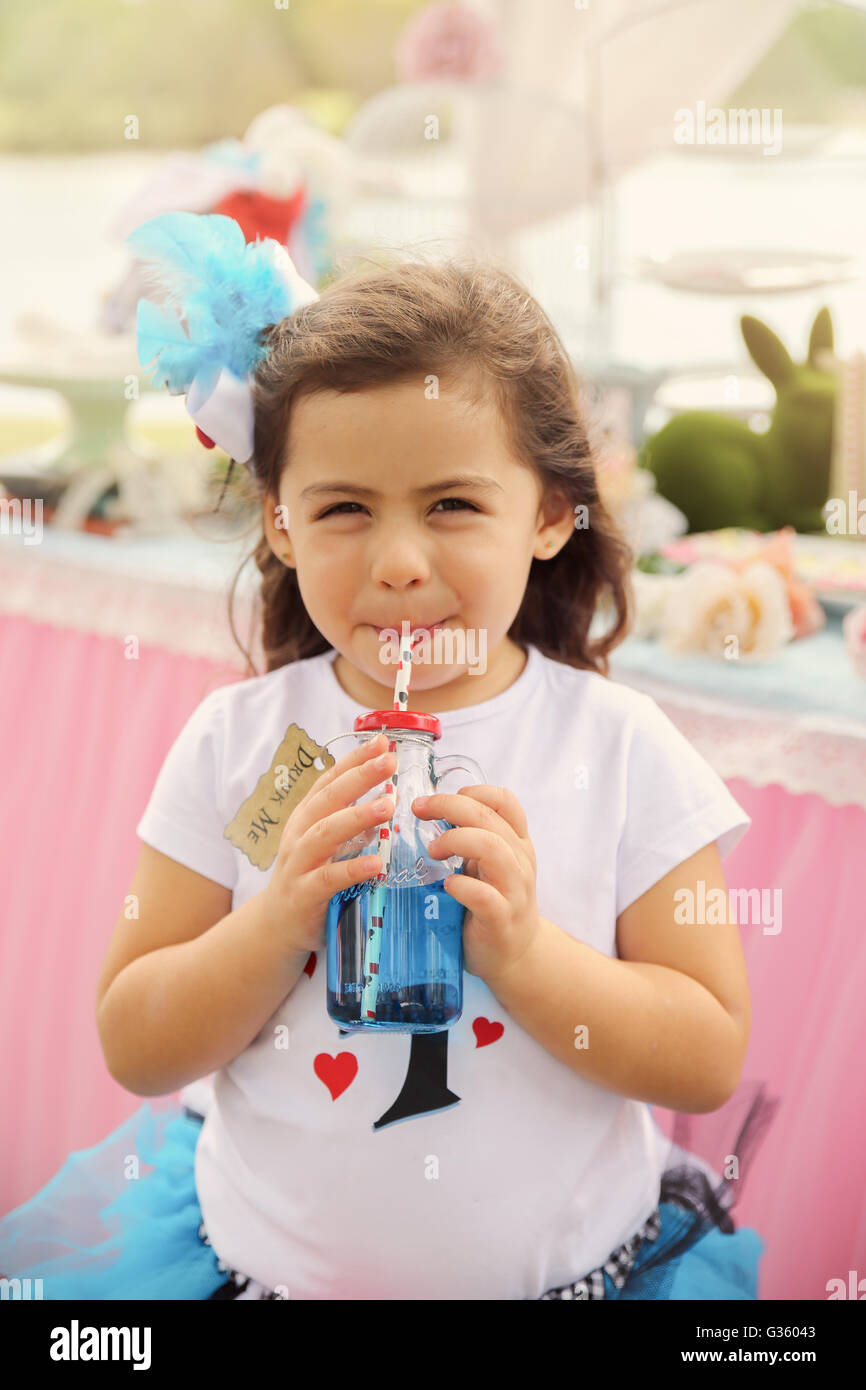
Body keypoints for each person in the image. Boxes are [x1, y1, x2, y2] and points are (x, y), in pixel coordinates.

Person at [0, 218, 771, 1300]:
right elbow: (137, 1039)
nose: (399, 564)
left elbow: (702, 1052)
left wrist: (524, 953)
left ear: (548, 510)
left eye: (451, 504)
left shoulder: (619, 750)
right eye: (344, 509)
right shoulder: (256, 750)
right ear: (278, 523)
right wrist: (273, 925)